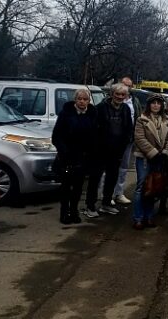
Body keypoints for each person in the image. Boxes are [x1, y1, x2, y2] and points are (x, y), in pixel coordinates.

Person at [84, 84, 134, 218]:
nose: (120, 97)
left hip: (117, 151)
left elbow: (129, 128)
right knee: (95, 179)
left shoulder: (126, 109)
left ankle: (106, 204)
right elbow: (93, 129)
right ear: (111, 94)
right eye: (117, 94)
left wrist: (124, 143)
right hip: (100, 150)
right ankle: (90, 206)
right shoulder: (100, 108)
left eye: (123, 95)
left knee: (112, 178)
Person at [52, 88, 98, 224]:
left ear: (89, 101)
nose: (82, 102)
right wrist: (64, 152)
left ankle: (74, 210)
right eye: (80, 99)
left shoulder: (92, 114)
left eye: (85, 99)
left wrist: (92, 153)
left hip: (83, 158)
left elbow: (95, 136)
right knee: (66, 186)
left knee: (78, 187)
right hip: (67, 157)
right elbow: (56, 137)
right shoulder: (66, 113)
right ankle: (64, 212)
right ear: (75, 100)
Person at [132, 94, 168, 230]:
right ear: (149, 105)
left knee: (153, 187)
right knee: (141, 187)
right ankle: (138, 218)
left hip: (159, 159)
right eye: (153, 103)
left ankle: (149, 217)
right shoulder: (141, 120)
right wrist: (153, 153)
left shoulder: (165, 120)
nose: (156, 105)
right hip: (144, 158)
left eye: (158, 103)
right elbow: (139, 138)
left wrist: (165, 153)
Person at [111, 76, 140, 206]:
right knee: (110, 168)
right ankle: (108, 194)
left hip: (128, 141)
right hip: (112, 140)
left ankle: (119, 193)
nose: (126, 88)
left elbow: (138, 118)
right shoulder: (111, 99)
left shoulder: (135, 101)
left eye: (129, 86)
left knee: (123, 168)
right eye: (124, 84)